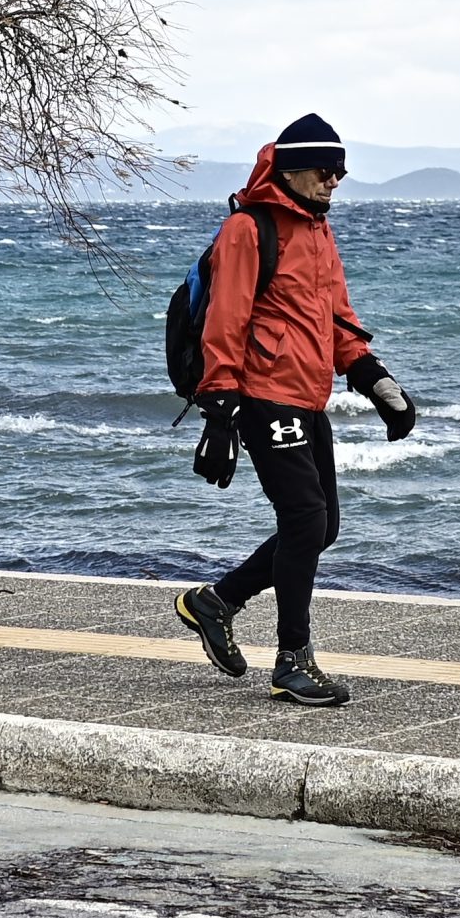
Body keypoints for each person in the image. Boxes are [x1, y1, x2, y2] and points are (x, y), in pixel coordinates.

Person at [173, 114, 419, 706]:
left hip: (308, 396)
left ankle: (215, 601)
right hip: (261, 395)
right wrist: (218, 411)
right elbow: (227, 322)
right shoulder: (247, 229)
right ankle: (292, 660)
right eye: (324, 170)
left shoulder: (318, 230)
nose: (334, 180)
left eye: (340, 171)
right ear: (291, 171)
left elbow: (336, 319)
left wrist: (374, 378)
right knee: (306, 520)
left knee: (322, 526)